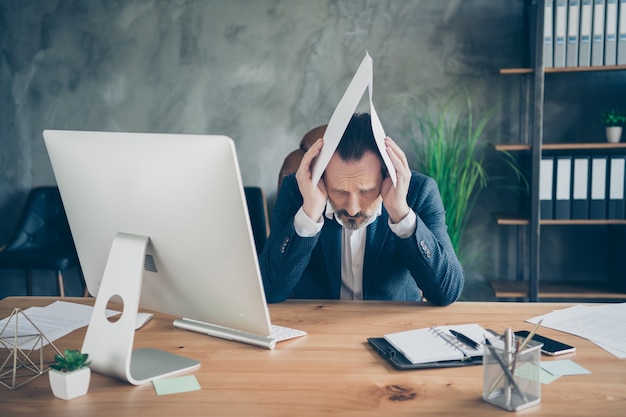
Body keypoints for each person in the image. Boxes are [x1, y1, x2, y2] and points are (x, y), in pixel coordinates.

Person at [259, 113, 464, 306]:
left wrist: (401, 214)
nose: (352, 208)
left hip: (394, 329)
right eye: (339, 191)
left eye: (366, 191)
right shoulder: (298, 191)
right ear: (321, 178)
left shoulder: (420, 191)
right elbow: (269, 290)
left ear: (387, 176)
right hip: (318, 328)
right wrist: (309, 214)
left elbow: (446, 292)